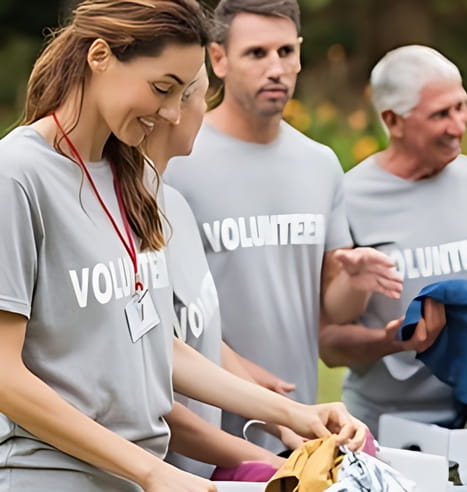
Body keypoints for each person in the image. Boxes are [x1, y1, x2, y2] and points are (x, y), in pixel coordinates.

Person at [0, 2, 367, 490]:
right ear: (100, 57)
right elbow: (5, 376)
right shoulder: (17, 176)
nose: (172, 112)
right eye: (161, 88)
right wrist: (155, 472)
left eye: (181, 92)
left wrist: (297, 413)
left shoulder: (128, 177)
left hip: (132, 478)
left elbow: (154, 345)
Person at [164, 0, 402, 451]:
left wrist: (354, 280)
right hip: (198, 433)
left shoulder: (321, 163)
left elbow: (335, 313)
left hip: (299, 429)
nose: (276, 68)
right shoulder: (178, 158)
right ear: (218, 59)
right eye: (257, 54)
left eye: (286, 52)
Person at [319, 45, 467, 435]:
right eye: (441, 114)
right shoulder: (347, 197)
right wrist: (391, 341)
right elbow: (330, 344)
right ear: (393, 120)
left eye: (461, 106)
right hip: (384, 425)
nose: (458, 126)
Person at [145, 65, 288, 480]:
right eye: (204, 99)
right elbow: (154, 400)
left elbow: (198, 333)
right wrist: (276, 464)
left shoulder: (175, 205)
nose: (206, 115)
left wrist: (284, 419)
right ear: (172, 107)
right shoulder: (125, 222)